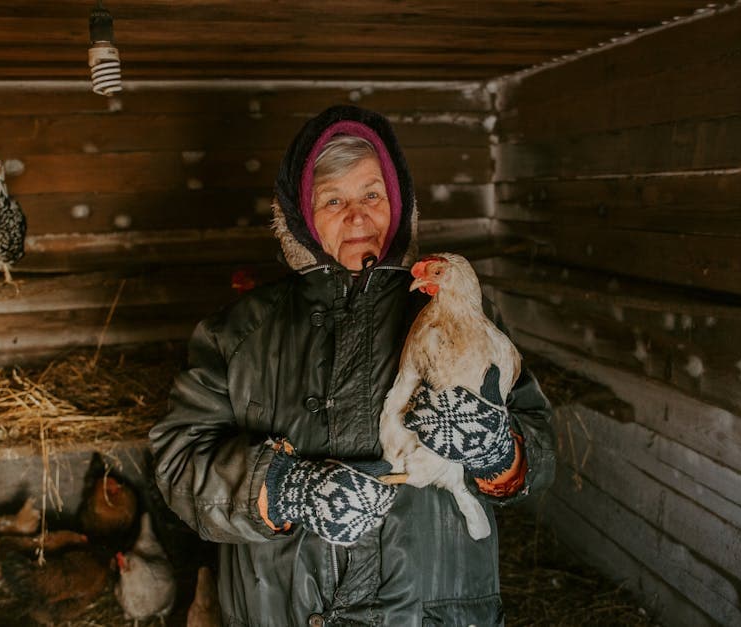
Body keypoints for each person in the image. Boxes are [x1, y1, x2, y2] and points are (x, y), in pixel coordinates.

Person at [150, 105, 555, 626]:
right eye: (333, 200)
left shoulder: (461, 320)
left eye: (371, 195)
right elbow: (177, 463)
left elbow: (541, 451)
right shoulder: (239, 332)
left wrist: (500, 451)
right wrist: (284, 490)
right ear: (301, 216)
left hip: (432, 613)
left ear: (400, 205)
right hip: (281, 611)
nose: (358, 216)